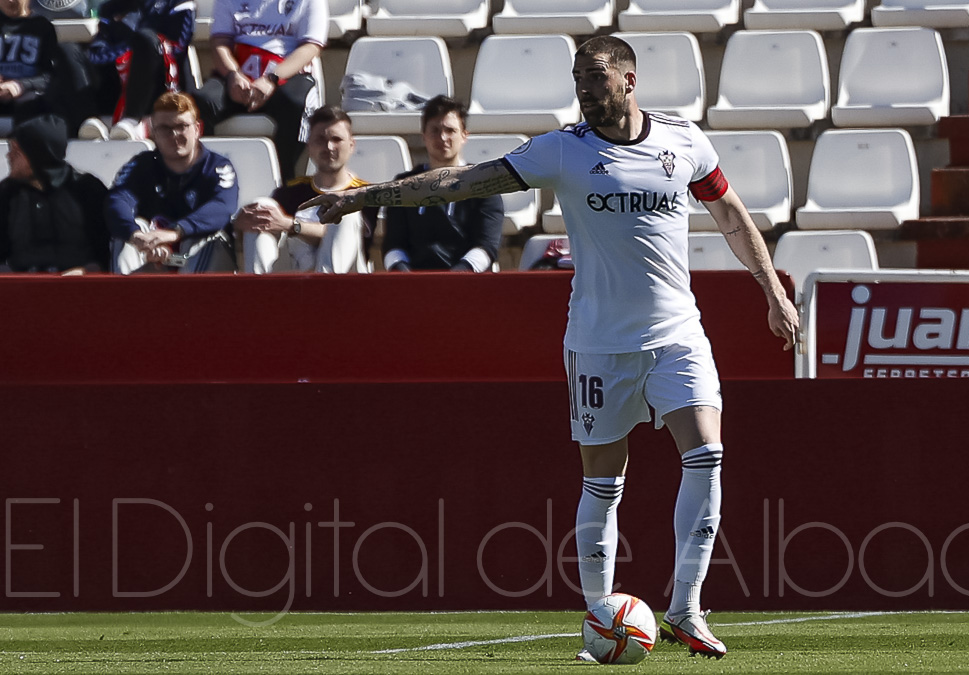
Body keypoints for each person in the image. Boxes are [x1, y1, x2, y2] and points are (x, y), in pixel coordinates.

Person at [303, 35, 800, 660]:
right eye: (577, 79)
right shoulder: (563, 151)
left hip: (678, 333)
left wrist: (772, 291)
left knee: (706, 454)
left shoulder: (684, 141)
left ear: (628, 79)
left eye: (595, 77)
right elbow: (463, 182)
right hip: (597, 344)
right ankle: (598, 615)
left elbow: (730, 213)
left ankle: (686, 609)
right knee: (604, 482)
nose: (585, 91)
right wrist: (361, 196)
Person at [191, 0, 327, 181]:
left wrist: (272, 79)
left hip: (286, 76)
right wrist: (233, 75)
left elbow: (310, 47)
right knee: (202, 101)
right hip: (237, 76)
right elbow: (220, 42)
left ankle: (284, 181)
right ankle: (206, 178)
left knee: (295, 105)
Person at [234, 105, 378, 274]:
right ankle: (261, 292)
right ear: (309, 146)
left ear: (352, 145)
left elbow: (346, 239)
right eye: (320, 140)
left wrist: (292, 226)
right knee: (263, 206)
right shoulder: (290, 193)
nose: (329, 147)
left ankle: (321, 294)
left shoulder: (367, 194)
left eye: (337, 139)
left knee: (346, 213)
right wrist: (240, 222)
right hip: (294, 277)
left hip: (345, 285)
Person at [106, 91, 238, 274]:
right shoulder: (141, 165)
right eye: (165, 129)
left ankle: (188, 300)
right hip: (154, 254)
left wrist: (176, 232)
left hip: (199, 258)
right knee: (127, 235)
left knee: (206, 238)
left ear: (198, 129)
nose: (174, 135)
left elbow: (222, 207)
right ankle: (123, 298)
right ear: (153, 132)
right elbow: (117, 200)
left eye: (182, 126)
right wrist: (137, 236)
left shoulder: (217, 166)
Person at [382, 95, 503, 273]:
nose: (443, 137)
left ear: (464, 136)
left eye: (450, 130)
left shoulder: (485, 184)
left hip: (466, 286)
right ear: (424, 136)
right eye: (435, 130)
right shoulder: (403, 185)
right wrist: (405, 278)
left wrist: (454, 278)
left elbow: (486, 246)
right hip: (412, 286)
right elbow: (393, 245)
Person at [0, 115, 109, 273]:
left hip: (79, 284)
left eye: (16, 152)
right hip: (21, 284)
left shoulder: (85, 188)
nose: (8, 156)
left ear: (37, 155)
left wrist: (87, 271)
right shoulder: (6, 193)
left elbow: (104, 249)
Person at [77, 0, 196, 140]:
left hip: (162, 92)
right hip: (114, 89)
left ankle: (132, 120)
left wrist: (137, 43)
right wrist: (130, 48)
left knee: (146, 39)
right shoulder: (111, 7)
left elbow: (177, 48)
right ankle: (87, 120)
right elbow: (96, 54)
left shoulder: (179, 4)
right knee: (69, 51)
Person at [0, 0, 68, 127]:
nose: (9, 1)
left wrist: (20, 85)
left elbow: (51, 76)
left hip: (29, 98)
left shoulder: (41, 26)